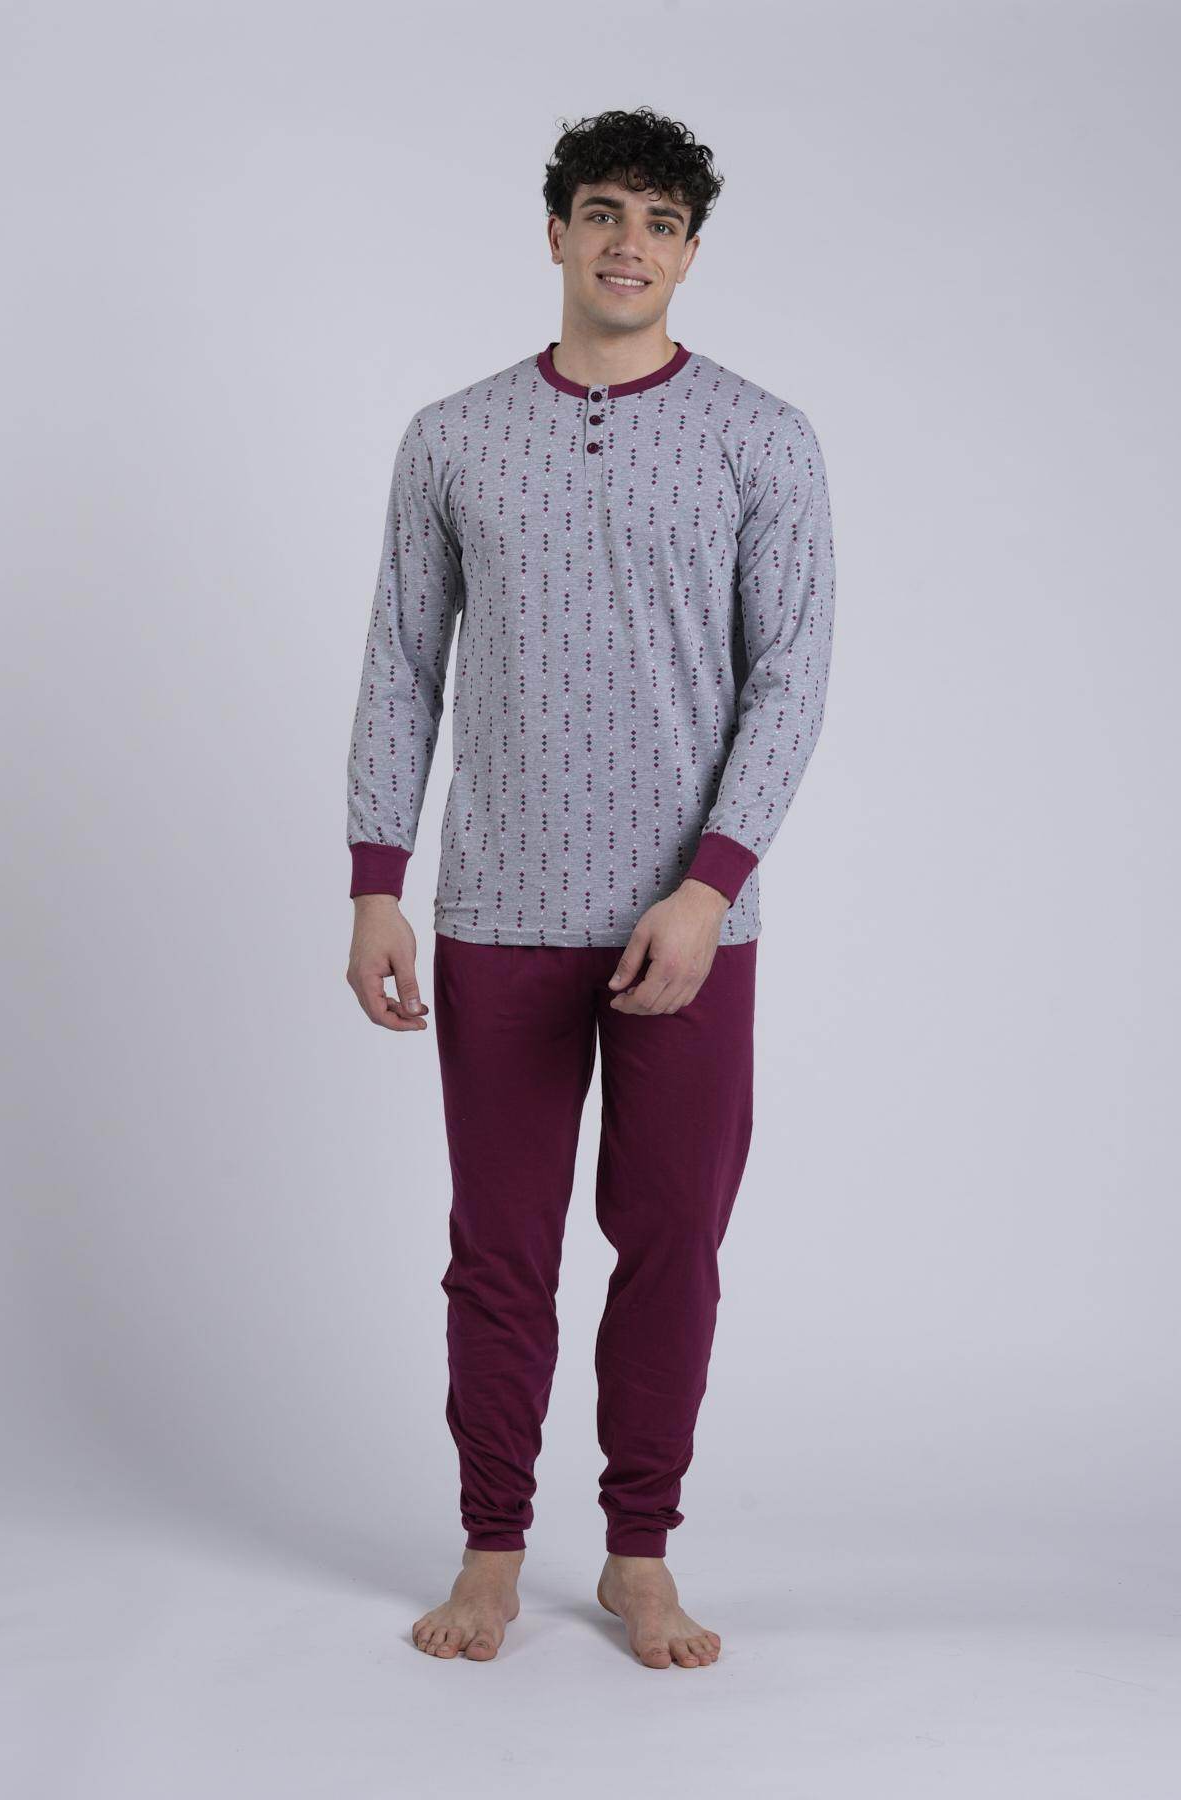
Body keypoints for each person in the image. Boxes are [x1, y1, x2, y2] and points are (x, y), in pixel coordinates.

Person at [345, 106, 836, 1670]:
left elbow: (792, 678)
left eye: (662, 221)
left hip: (688, 926)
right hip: (497, 911)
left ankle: (639, 1555)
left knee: (672, 1239)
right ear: (556, 230)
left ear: (691, 254)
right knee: (499, 1249)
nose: (631, 243)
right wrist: (376, 882)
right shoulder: (452, 437)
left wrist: (710, 888)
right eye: (606, 211)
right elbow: (401, 667)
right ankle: (492, 1548)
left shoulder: (763, 437)